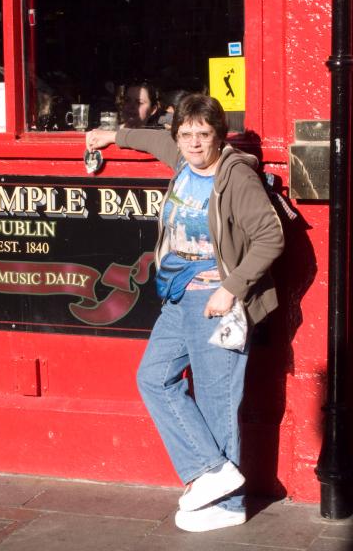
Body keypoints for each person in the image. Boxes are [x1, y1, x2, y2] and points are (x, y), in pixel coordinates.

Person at [85, 94, 284, 533]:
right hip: (177, 295)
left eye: (204, 134)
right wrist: (110, 136)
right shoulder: (181, 156)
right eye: (187, 133)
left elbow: (270, 237)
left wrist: (230, 290)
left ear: (219, 136)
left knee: (218, 402)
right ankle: (212, 470)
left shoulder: (234, 178)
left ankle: (229, 505)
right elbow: (150, 139)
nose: (194, 143)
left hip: (215, 300)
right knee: (153, 377)